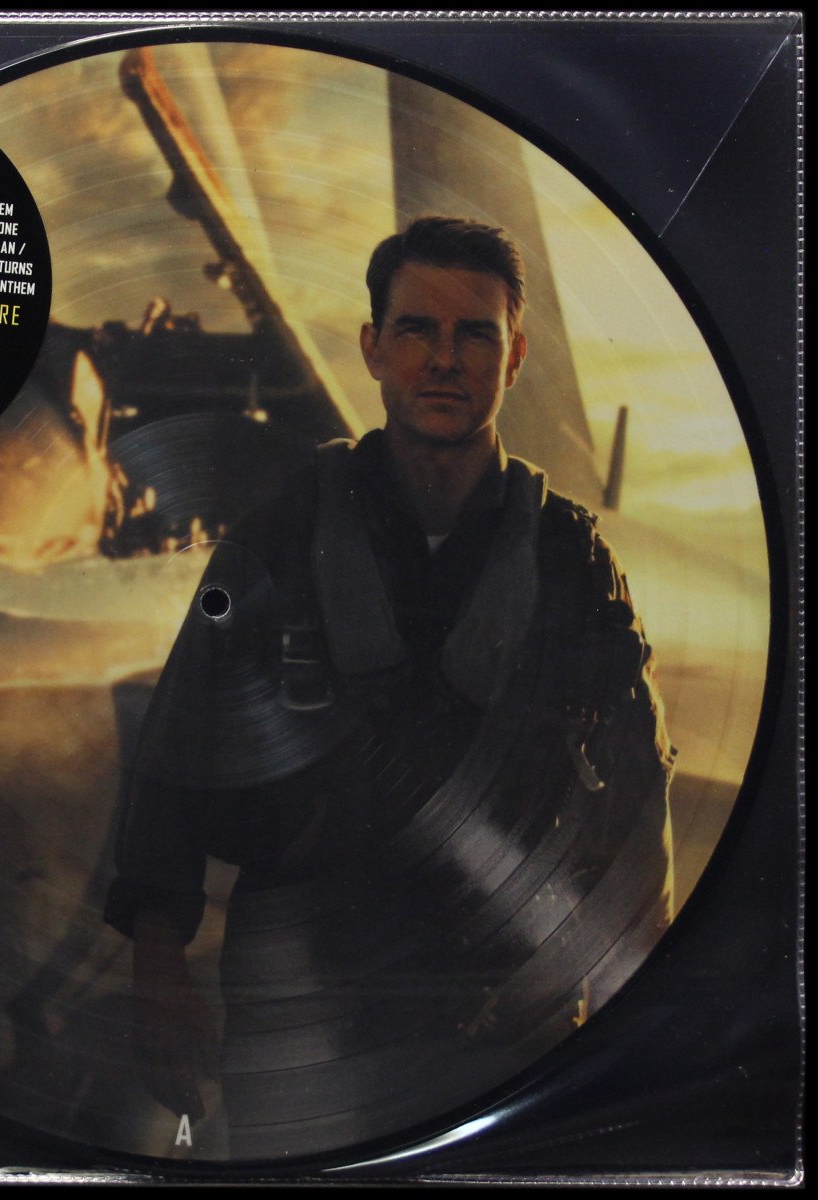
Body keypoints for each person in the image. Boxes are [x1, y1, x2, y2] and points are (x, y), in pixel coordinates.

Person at [104, 215, 676, 1159]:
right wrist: (158, 970)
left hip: (505, 1017)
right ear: (374, 348)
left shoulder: (571, 561)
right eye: (417, 330)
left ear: (514, 355)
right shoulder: (276, 536)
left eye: (474, 334)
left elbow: (635, 786)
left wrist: (638, 1010)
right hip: (306, 1009)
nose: (444, 360)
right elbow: (181, 740)